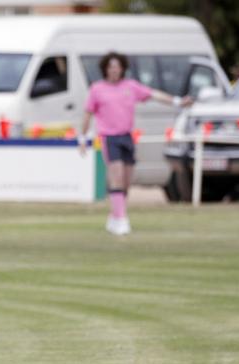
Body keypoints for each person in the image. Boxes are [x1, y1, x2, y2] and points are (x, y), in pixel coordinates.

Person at [79, 51, 192, 235]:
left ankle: (115, 215)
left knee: (125, 181)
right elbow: (87, 114)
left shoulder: (130, 86)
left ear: (122, 68)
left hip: (127, 137)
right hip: (109, 138)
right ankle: (122, 220)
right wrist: (83, 138)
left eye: (117, 67)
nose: (114, 70)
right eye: (111, 67)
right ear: (105, 69)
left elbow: (154, 94)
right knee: (116, 175)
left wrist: (178, 101)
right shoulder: (97, 89)